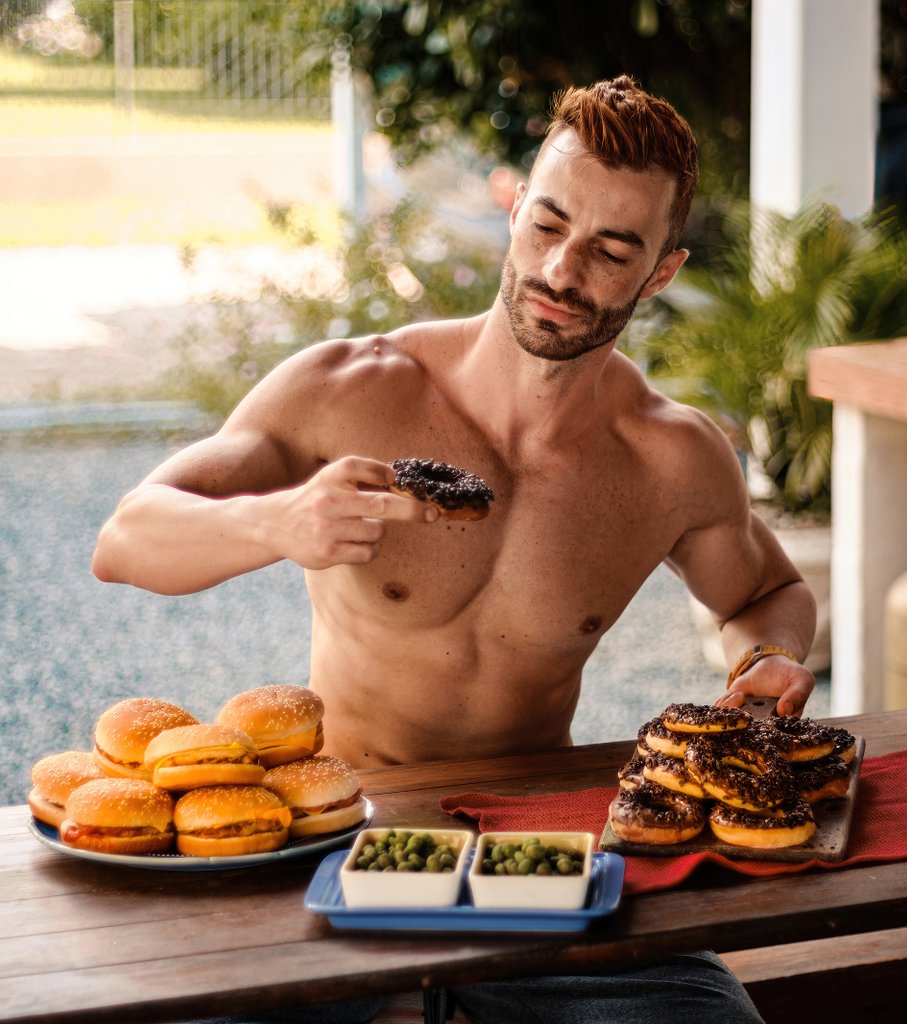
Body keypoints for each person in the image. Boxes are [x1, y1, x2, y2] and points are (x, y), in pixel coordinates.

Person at [93, 74, 815, 1023]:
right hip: (340, 833)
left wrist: (768, 659)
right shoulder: (352, 387)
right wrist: (275, 521)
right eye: (548, 226)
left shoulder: (670, 457)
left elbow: (765, 590)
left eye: (611, 249)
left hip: (534, 853)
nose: (562, 271)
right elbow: (126, 538)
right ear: (513, 206)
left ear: (662, 271)